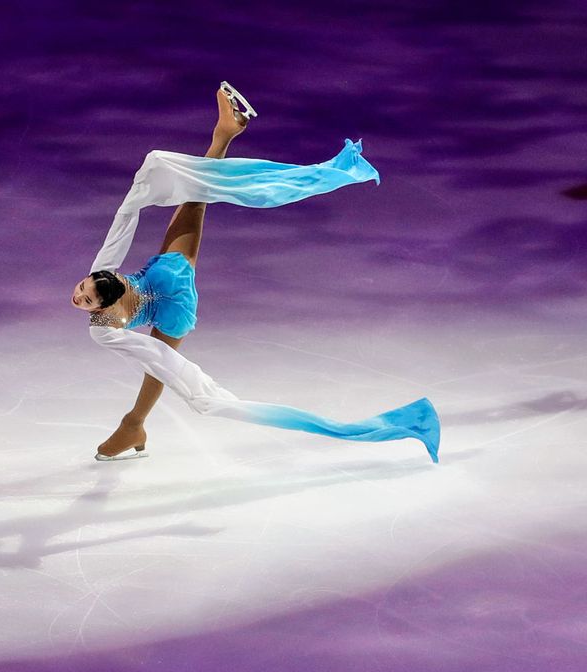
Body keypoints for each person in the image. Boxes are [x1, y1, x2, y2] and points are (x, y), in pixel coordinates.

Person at [74, 82, 440, 463]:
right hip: (168, 281)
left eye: (83, 294)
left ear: (102, 294)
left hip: (170, 298)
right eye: (83, 297)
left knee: (194, 205)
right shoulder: (102, 289)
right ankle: (225, 135)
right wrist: (141, 189)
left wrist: (202, 393)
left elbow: (158, 358)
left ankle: (134, 423)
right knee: (195, 200)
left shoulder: (102, 324)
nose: (77, 297)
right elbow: (122, 232)